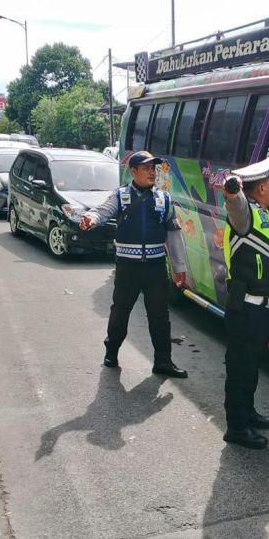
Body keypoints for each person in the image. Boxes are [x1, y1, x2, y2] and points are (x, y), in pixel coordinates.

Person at [80, 151, 189, 378]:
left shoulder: (164, 198)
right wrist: (91, 218)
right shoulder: (121, 196)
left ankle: (163, 361)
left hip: (156, 267)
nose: (152, 173)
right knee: (120, 311)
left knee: (160, 316)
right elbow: (104, 210)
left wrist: (179, 267)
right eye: (146, 168)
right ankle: (111, 352)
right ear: (133, 172)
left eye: (154, 169)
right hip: (128, 267)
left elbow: (174, 234)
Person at [220, 154, 269, 449]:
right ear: (261, 187)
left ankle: (247, 412)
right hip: (245, 307)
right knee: (240, 367)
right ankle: (236, 426)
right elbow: (234, 204)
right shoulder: (245, 214)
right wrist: (232, 191)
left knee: (252, 365)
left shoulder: (265, 216)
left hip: (262, 307)